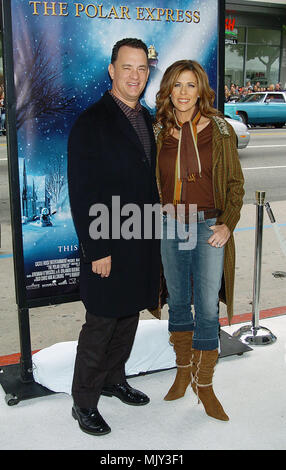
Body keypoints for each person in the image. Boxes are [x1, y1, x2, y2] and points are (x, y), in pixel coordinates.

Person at [68, 38, 160, 436]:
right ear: (111, 69)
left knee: (129, 315)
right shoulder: (92, 121)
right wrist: (97, 249)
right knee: (101, 322)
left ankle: (113, 379)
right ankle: (83, 401)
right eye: (127, 67)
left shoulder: (147, 118)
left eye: (142, 68)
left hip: (141, 238)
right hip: (108, 240)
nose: (135, 76)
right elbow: (82, 190)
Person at [155, 60, 244, 421]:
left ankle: (204, 385)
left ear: (201, 90)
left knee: (207, 307)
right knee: (178, 302)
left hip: (209, 226)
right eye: (177, 85)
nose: (183, 93)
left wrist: (228, 224)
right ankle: (182, 372)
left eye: (191, 85)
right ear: (168, 90)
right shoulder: (159, 130)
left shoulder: (221, 130)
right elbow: (150, 182)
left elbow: (235, 184)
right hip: (171, 226)